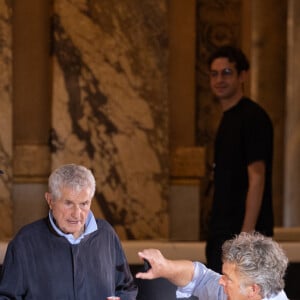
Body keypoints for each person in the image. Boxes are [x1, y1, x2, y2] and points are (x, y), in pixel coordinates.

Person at [0, 164, 137, 299]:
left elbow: (126, 288)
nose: (77, 214)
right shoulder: (25, 241)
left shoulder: (106, 234)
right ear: (50, 200)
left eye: (84, 204)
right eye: (68, 203)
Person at [205, 45, 274, 273]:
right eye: (214, 74)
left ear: (242, 75)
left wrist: (246, 236)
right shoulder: (228, 119)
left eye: (227, 72)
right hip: (224, 231)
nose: (219, 79)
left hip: (243, 235)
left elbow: (257, 177)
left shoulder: (253, 117)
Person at [136, 232, 289, 299]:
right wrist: (166, 267)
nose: (221, 281)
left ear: (253, 289)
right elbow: (200, 278)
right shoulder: (233, 291)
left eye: (228, 278)